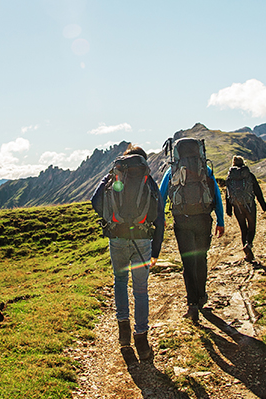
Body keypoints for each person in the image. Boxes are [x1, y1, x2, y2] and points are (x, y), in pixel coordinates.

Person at [90, 144, 164, 361]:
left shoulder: (114, 177)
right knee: (140, 290)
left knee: (120, 281)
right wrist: (156, 250)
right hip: (142, 241)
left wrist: (110, 218)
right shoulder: (148, 180)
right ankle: (141, 339)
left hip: (118, 239)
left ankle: (123, 333)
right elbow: (158, 216)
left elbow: (95, 201)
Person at [158, 139, 224, 324]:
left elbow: (162, 194)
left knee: (188, 262)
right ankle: (202, 296)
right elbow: (216, 194)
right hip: (204, 219)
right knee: (201, 258)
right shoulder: (205, 169)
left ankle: (192, 304)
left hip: (182, 221)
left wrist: (161, 217)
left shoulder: (172, 171)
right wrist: (220, 220)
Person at [225, 155, 266, 263]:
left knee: (243, 229)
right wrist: (263, 205)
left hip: (237, 207)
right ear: (243, 162)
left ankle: (246, 251)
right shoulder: (249, 175)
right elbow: (257, 190)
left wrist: (228, 210)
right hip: (250, 205)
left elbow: (228, 193)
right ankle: (249, 245)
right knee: (252, 227)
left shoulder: (230, 177)